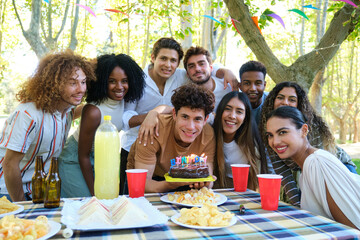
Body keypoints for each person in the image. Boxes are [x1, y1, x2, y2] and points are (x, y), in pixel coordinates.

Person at [121, 38, 237, 192]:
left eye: (173, 60)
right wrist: (151, 116)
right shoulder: (137, 80)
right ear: (153, 57)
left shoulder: (182, 75)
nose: (168, 65)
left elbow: (206, 68)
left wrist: (226, 71)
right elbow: (126, 117)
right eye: (163, 58)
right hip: (141, 143)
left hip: (175, 162)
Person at [0, 50, 95, 201]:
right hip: (8, 193)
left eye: (83, 82)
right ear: (54, 85)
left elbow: (89, 108)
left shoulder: (66, 110)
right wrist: (22, 206)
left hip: (38, 191)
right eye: (72, 83)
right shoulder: (28, 115)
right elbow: (10, 165)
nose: (81, 89)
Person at [58, 54, 145, 197]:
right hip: (74, 161)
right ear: (102, 81)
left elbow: (127, 119)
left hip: (101, 158)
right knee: (87, 202)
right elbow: (83, 156)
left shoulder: (120, 100)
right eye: (112, 81)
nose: (119, 87)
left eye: (124, 81)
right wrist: (94, 192)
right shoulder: (93, 112)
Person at [260, 81, 357, 207]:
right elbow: (283, 172)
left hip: (337, 168)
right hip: (308, 172)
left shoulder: (311, 128)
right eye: (280, 97)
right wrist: (298, 205)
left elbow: (320, 167)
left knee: (347, 206)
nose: (285, 102)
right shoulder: (270, 130)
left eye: (292, 99)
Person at [265, 106, 360, 230]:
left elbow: (352, 230)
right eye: (270, 135)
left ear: (304, 130)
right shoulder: (306, 166)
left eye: (282, 132)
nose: (275, 141)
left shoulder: (316, 163)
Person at [127, 84, 216, 193]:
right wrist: (171, 184)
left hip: (186, 184)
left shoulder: (208, 134)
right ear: (174, 114)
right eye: (185, 117)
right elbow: (142, 183)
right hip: (151, 184)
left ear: (206, 119)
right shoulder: (154, 130)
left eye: (197, 119)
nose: (190, 126)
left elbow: (209, 179)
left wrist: (205, 184)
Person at [212, 91, 270, 189]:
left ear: (245, 118)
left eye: (239, 111)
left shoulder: (252, 145)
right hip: (213, 196)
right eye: (227, 109)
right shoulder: (210, 137)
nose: (232, 116)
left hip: (243, 196)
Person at [183, 46, 232, 112]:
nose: (197, 69)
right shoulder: (186, 96)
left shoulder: (228, 86)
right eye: (192, 66)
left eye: (202, 64)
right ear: (187, 74)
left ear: (211, 68)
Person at [238, 61, 268, 125]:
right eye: (247, 83)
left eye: (258, 83)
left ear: (264, 85)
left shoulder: (273, 101)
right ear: (240, 86)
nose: (252, 89)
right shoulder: (234, 102)